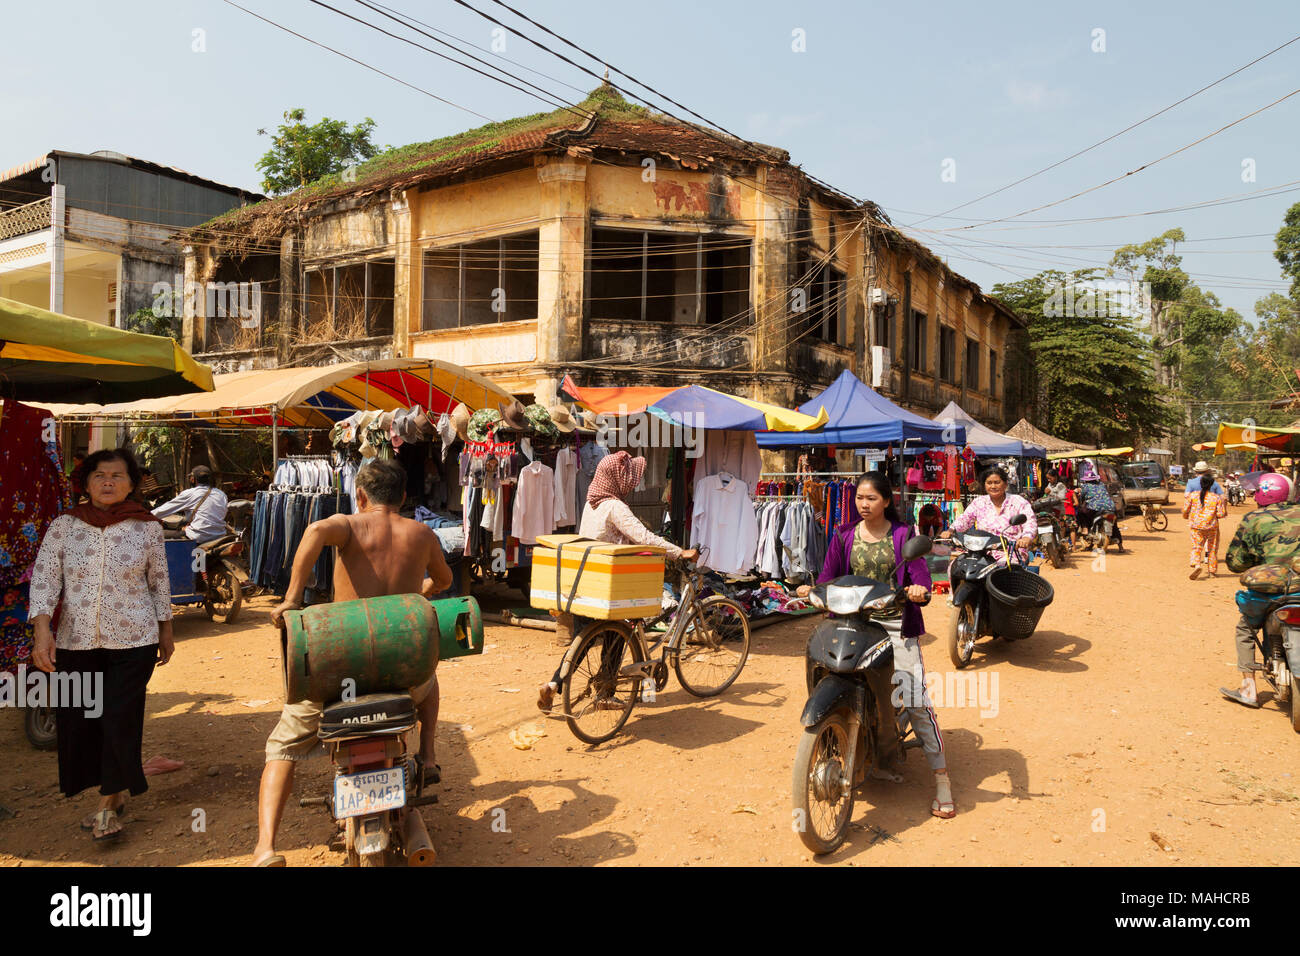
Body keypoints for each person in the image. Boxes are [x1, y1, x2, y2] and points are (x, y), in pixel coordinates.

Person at [252, 459, 453, 867]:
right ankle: (428, 756)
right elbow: (446, 581)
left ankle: (264, 848)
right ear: (401, 497)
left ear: (360, 496)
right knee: (429, 684)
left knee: (282, 746)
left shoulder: (350, 525)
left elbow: (312, 530)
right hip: (401, 669)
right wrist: (420, 594)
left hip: (340, 664)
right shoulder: (422, 533)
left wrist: (292, 599)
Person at [28, 448, 174, 843]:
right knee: (81, 719)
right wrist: (43, 631)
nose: (108, 482)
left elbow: (159, 582)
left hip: (135, 639)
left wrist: (166, 630)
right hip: (76, 641)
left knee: (120, 718)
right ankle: (113, 786)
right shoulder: (64, 526)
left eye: (118, 476)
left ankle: (109, 805)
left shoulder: (147, 527)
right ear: (87, 483)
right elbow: (44, 580)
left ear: (131, 484)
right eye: (100, 476)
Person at [794, 472, 954, 819]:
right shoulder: (844, 534)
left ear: (886, 502)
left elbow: (919, 575)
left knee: (912, 698)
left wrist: (918, 590)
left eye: (871, 499)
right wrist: (813, 590)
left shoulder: (903, 535)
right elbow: (828, 576)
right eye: (859, 499)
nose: (864, 505)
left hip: (894, 623)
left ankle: (941, 778)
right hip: (851, 621)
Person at [536, 450, 698, 712]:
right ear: (617, 479)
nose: (632, 484)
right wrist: (679, 551)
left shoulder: (592, 503)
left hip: (585, 583)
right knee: (618, 635)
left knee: (583, 639)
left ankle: (553, 685)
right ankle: (606, 694)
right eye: (629, 478)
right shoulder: (615, 507)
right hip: (610, 586)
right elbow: (644, 537)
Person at [1221, 472, 1300, 707]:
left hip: (1268, 593)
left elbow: (1235, 562)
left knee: (1245, 629)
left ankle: (1249, 690)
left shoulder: (1252, 518)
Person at [940, 465, 1038, 564]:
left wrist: (1026, 538)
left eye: (997, 482)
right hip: (980, 551)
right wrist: (951, 530)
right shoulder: (979, 502)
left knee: (1004, 570)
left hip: (1010, 551)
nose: (993, 486)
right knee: (955, 567)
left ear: (1005, 484)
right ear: (984, 485)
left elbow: (1030, 521)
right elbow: (965, 519)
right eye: (989, 483)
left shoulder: (1018, 501)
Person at [151, 465, 229, 543]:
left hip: (198, 537)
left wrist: (145, 516)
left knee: (153, 534)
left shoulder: (190, 493)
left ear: (193, 479)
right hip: (219, 536)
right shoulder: (222, 494)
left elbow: (161, 511)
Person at [1182, 474, 1227, 579]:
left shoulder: (1192, 496)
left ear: (1201, 484)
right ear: (1211, 485)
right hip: (1212, 527)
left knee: (1196, 547)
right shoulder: (1215, 497)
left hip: (1196, 527)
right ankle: (1212, 572)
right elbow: (1220, 514)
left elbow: (1185, 510)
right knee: (1212, 549)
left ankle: (1197, 565)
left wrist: (1186, 516)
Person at [1076, 462, 1126, 554]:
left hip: (1095, 508)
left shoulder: (1085, 486)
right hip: (1110, 507)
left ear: (1086, 480)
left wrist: (1080, 500)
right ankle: (1121, 547)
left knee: (1081, 513)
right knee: (1114, 526)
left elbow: (1081, 498)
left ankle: (1085, 528)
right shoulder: (1101, 485)